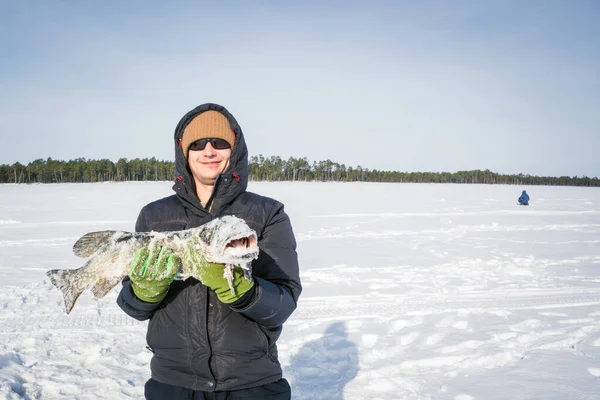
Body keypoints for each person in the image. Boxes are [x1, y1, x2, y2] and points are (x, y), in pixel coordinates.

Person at [117, 103, 302, 399]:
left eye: (219, 142)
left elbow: (284, 302)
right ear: (184, 152)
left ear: (235, 148)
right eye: (198, 144)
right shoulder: (154, 215)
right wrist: (144, 292)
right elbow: (132, 306)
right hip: (172, 384)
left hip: (251, 383)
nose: (209, 151)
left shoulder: (267, 213)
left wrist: (243, 290)